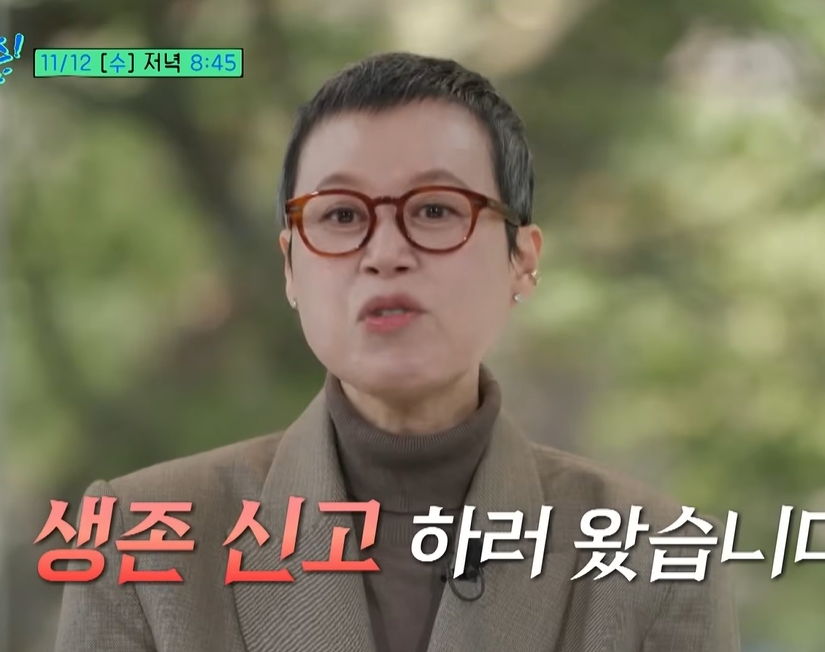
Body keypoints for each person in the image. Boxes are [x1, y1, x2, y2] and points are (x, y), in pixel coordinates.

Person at [55, 52, 740, 652]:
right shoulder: (138, 542)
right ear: (290, 267)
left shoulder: (658, 560)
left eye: (436, 210)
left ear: (523, 261)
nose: (385, 253)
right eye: (341, 215)